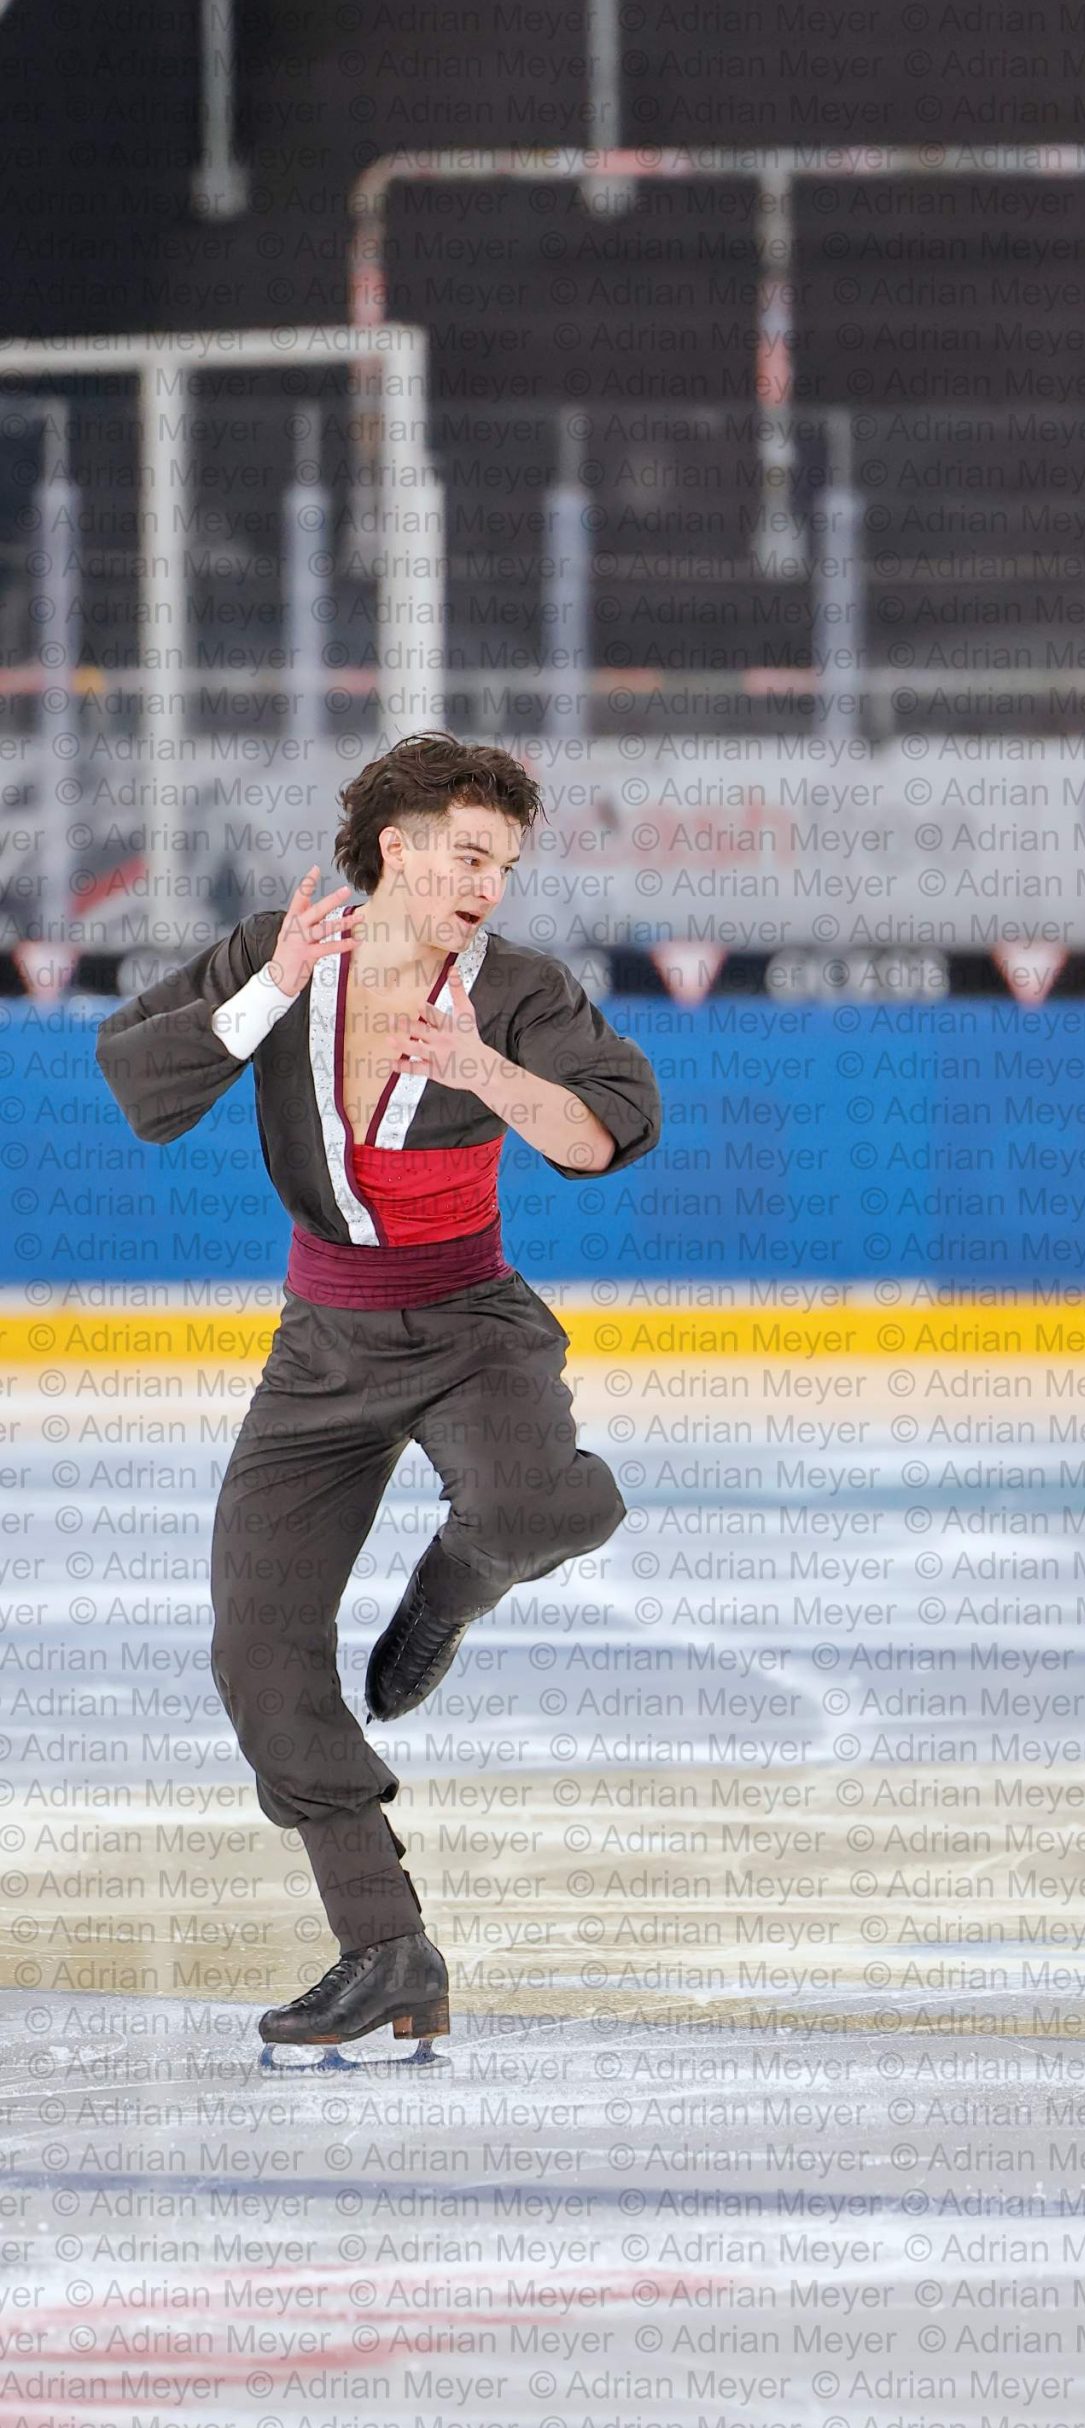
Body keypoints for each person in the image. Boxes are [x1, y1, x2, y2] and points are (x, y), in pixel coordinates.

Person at [95, 733, 662, 2054]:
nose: (487, 886)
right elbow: (141, 1086)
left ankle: (449, 1591)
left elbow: (607, 1130)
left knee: (542, 1507)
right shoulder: (281, 948)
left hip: (468, 1322)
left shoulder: (518, 989)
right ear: (395, 849)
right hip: (322, 1348)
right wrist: (271, 990)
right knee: (256, 1647)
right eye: (468, 856)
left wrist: (486, 1072)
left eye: (503, 866)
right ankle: (385, 1946)